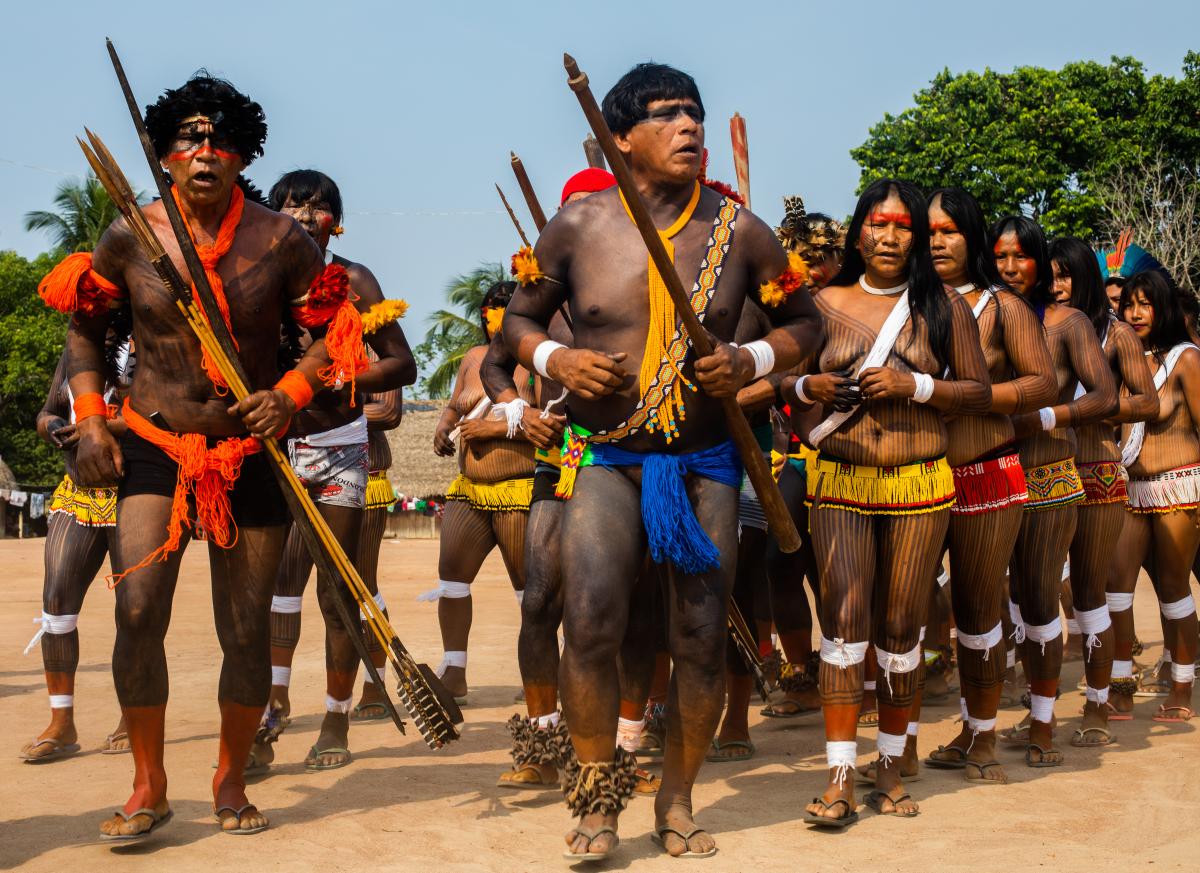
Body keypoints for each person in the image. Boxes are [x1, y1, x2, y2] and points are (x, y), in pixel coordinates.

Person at [503, 62, 821, 859]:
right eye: (667, 115)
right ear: (620, 137)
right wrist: (555, 361)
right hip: (609, 457)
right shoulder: (576, 226)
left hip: (704, 460)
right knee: (593, 624)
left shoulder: (739, 230)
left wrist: (748, 360)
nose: (689, 128)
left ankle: (675, 799)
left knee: (701, 634)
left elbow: (806, 326)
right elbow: (515, 320)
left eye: (695, 115)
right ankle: (596, 797)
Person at [42, 73, 347, 840]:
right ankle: (148, 781)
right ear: (165, 153)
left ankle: (232, 776)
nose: (204, 151)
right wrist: (90, 419)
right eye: (188, 137)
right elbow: (86, 329)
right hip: (153, 442)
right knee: (137, 609)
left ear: (243, 154)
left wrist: (289, 390)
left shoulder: (283, 239)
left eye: (220, 139)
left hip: (249, 447)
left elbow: (334, 335)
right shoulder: (130, 233)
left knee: (244, 628)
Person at [783, 179, 990, 825]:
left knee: (902, 626)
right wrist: (808, 382)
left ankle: (894, 765)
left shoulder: (944, 305)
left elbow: (980, 392)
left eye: (904, 225)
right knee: (845, 620)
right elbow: (775, 382)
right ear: (858, 231)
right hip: (842, 478)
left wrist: (915, 384)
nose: (891, 235)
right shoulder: (821, 302)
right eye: (879, 222)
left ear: (918, 237)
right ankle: (841, 773)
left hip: (918, 480)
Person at [256, 169, 415, 773]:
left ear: (336, 220)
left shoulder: (353, 280)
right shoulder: (251, 276)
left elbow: (403, 364)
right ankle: (269, 706)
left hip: (338, 445)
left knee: (338, 590)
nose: (302, 215)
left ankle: (334, 717)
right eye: (291, 204)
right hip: (267, 448)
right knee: (262, 588)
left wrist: (331, 379)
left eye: (317, 206)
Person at [905, 188, 1056, 785]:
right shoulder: (906, 303)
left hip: (986, 471)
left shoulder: (1004, 307)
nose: (938, 240)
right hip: (912, 477)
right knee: (907, 611)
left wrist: (962, 397)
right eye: (930, 231)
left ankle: (984, 736)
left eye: (951, 230)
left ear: (973, 235)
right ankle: (901, 747)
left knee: (978, 610)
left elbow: (1042, 383)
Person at [992, 216, 1116, 767]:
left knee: (1044, 597)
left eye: (1022, 257)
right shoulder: (980, 315)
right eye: (1000, 257)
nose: (1011, 268)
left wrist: (1044, 416)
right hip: (990, 476)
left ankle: (1050, 720)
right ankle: (1022, 710)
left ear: (1040, 263)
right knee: (1007, 603)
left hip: (1049, 474)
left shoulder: (1066, 323)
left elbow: (1107, 395)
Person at [1049, 237, 1157, 745]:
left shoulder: (1115, 334)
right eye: (1050, 273)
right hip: (1043, 472)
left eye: (1066, 273)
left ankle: (1097, 705)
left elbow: (1148, 402)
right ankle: (1042, 711)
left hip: (1095, 469)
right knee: (1039, 594)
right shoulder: (1037, 325)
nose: (1057, 283)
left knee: (1093, 593)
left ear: (1085, 276)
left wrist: (1094, 408)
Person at [19, 341, 135, 762]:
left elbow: (166, 414)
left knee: (135, 610)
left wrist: (106, 427)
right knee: (56, 604)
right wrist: (53, 427)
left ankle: (133, 716)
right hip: (79, 491)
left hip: (136, 495)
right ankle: (62, 723)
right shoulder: (74, 353)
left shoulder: (146, 342)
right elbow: (47, 411)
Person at [425, 281, 538, 702]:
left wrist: (495, 427)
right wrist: (442, 425)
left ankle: (542, 674)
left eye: (504, 307)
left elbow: (554, 422)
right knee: (452, 580)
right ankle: (454, 670)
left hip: (519, 490)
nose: (495, 314)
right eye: (490, 307)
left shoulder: (538, 362)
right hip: (469, 488)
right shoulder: (473, 359)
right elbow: (455, 405)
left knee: (530, 591)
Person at [1108, 270, 1199, 723]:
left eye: (1145, 304)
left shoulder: (1186, 360)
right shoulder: (1123, 360)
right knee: (1116, 592)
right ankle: (1121, 687)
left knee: (1173, 591)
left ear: (1163, 309)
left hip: (1179, 486)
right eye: (1129, 304)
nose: (1136, 313)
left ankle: (1182, 684)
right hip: (1132, 488)